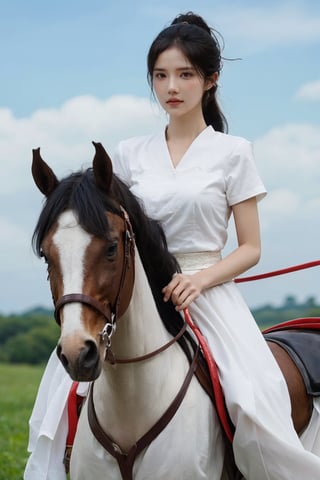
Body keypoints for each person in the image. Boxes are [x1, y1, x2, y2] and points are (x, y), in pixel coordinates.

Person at [25, 11, 320, 480]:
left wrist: (199, 280)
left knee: (251, 399)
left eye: (185, 74)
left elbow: (250, 248)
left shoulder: (233, 152)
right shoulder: (127, 153)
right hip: (136, 288)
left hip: (208, 290)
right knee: (58, 399)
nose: (172, 87)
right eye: (161, 76)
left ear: (211, 80)